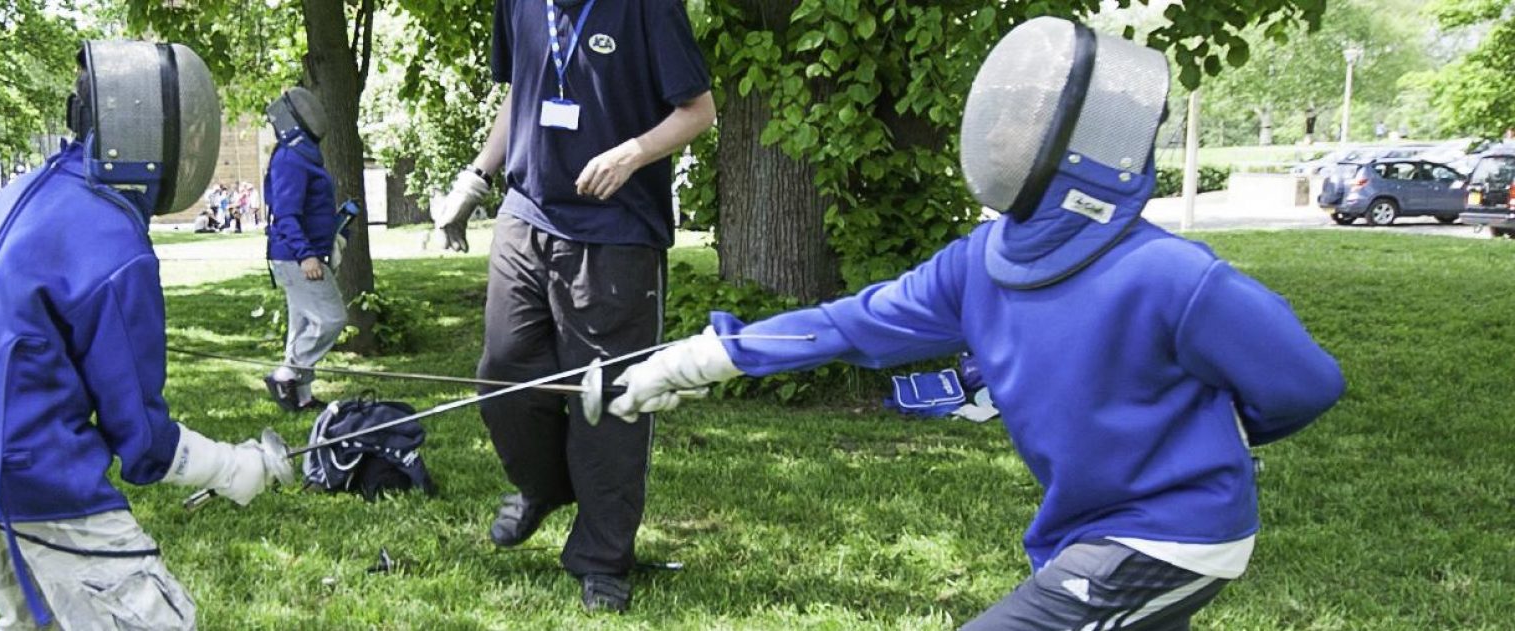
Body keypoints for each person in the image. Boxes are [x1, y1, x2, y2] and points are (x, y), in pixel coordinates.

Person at [606, 18, 1346, 629]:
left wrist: (1206, 442)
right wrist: (697, 359)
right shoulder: (979, 263)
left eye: (1026, 118)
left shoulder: (1175, 277)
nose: (1000, 133)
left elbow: (1305, 383)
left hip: (1171, 534)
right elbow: (850, 326)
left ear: (1086, 142)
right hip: (1085, 528)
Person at [0, 41, 293, 630]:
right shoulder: (114, 245)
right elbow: (141, 438)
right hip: (34, 473)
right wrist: (233, 467)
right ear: (154, 132)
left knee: (31, 620)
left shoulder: (18, 196)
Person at [423, 0, 715, 612]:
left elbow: (697, 111)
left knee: (611, 401)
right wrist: (475, 179)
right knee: (503, 372)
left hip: (617, 230)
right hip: (526, 213)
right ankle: (544, 487)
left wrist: (632, 152)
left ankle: (602, 558)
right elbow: (522, 93)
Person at [260, 86, 346, 413]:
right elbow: (285, 214)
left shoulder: (301, 155)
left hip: (301, 253)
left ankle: (303, 397)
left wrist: (338, 231)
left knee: (303, 325)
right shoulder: (290, 158)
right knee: (331, 319)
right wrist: (307, 254)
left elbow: (311, 209)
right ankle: (286, 375)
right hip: (295, 256)